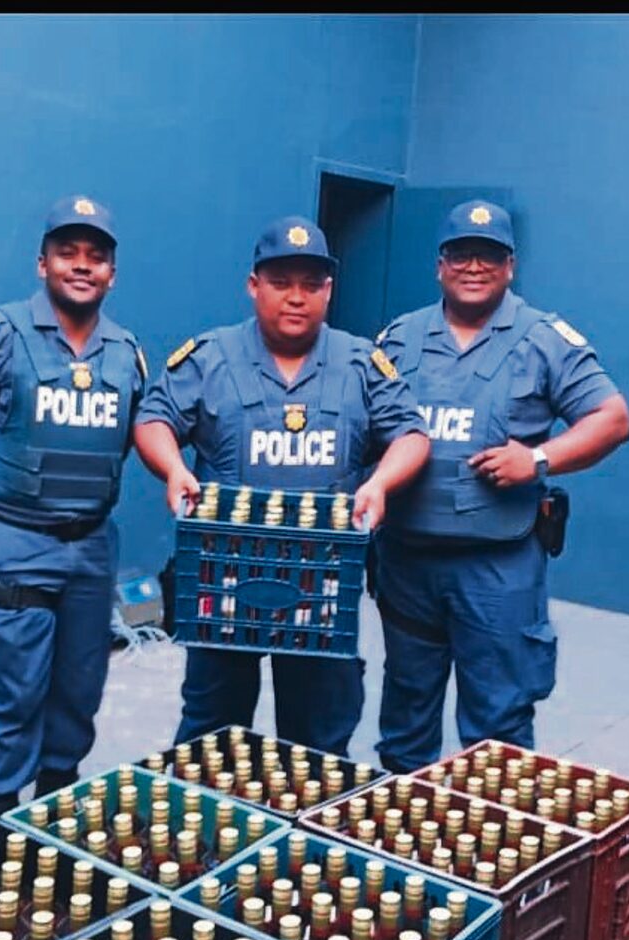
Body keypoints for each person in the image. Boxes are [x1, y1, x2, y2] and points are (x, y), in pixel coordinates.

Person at [133, 215, 430, 758]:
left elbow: (411, 433)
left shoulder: (360, 361)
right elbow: (155, 419)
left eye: (311, 284)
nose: (296, 297)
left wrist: (382, 482)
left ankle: (307, 837)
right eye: (280, 282)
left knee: (319, 738)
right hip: (224, 580)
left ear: (328, 291)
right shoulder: (210, 357)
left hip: (322, 588)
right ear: (254, 286)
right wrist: (174, 468)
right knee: (211, 731)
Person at [373, 199, 629, 771]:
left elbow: (613, 419)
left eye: (488, 256)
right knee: (405, 718)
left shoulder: (544, 338)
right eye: (461, 254)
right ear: (440, 265)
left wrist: (537, 459)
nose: (474, 266)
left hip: (498, 568)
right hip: (408, 561)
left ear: (510, 266)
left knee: (498, 729)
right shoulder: (398, 339)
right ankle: (399, 842)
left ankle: (487, 848)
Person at [0, 195, 146, 817]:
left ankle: (55, 797)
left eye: (96, 256)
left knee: (81, 683)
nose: (83, 265)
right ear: (42, 263)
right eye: (68, 253)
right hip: (16, 543)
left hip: (92, 544)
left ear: (112, 273)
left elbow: (127, 441)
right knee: (16, 684)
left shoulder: (126, 352)